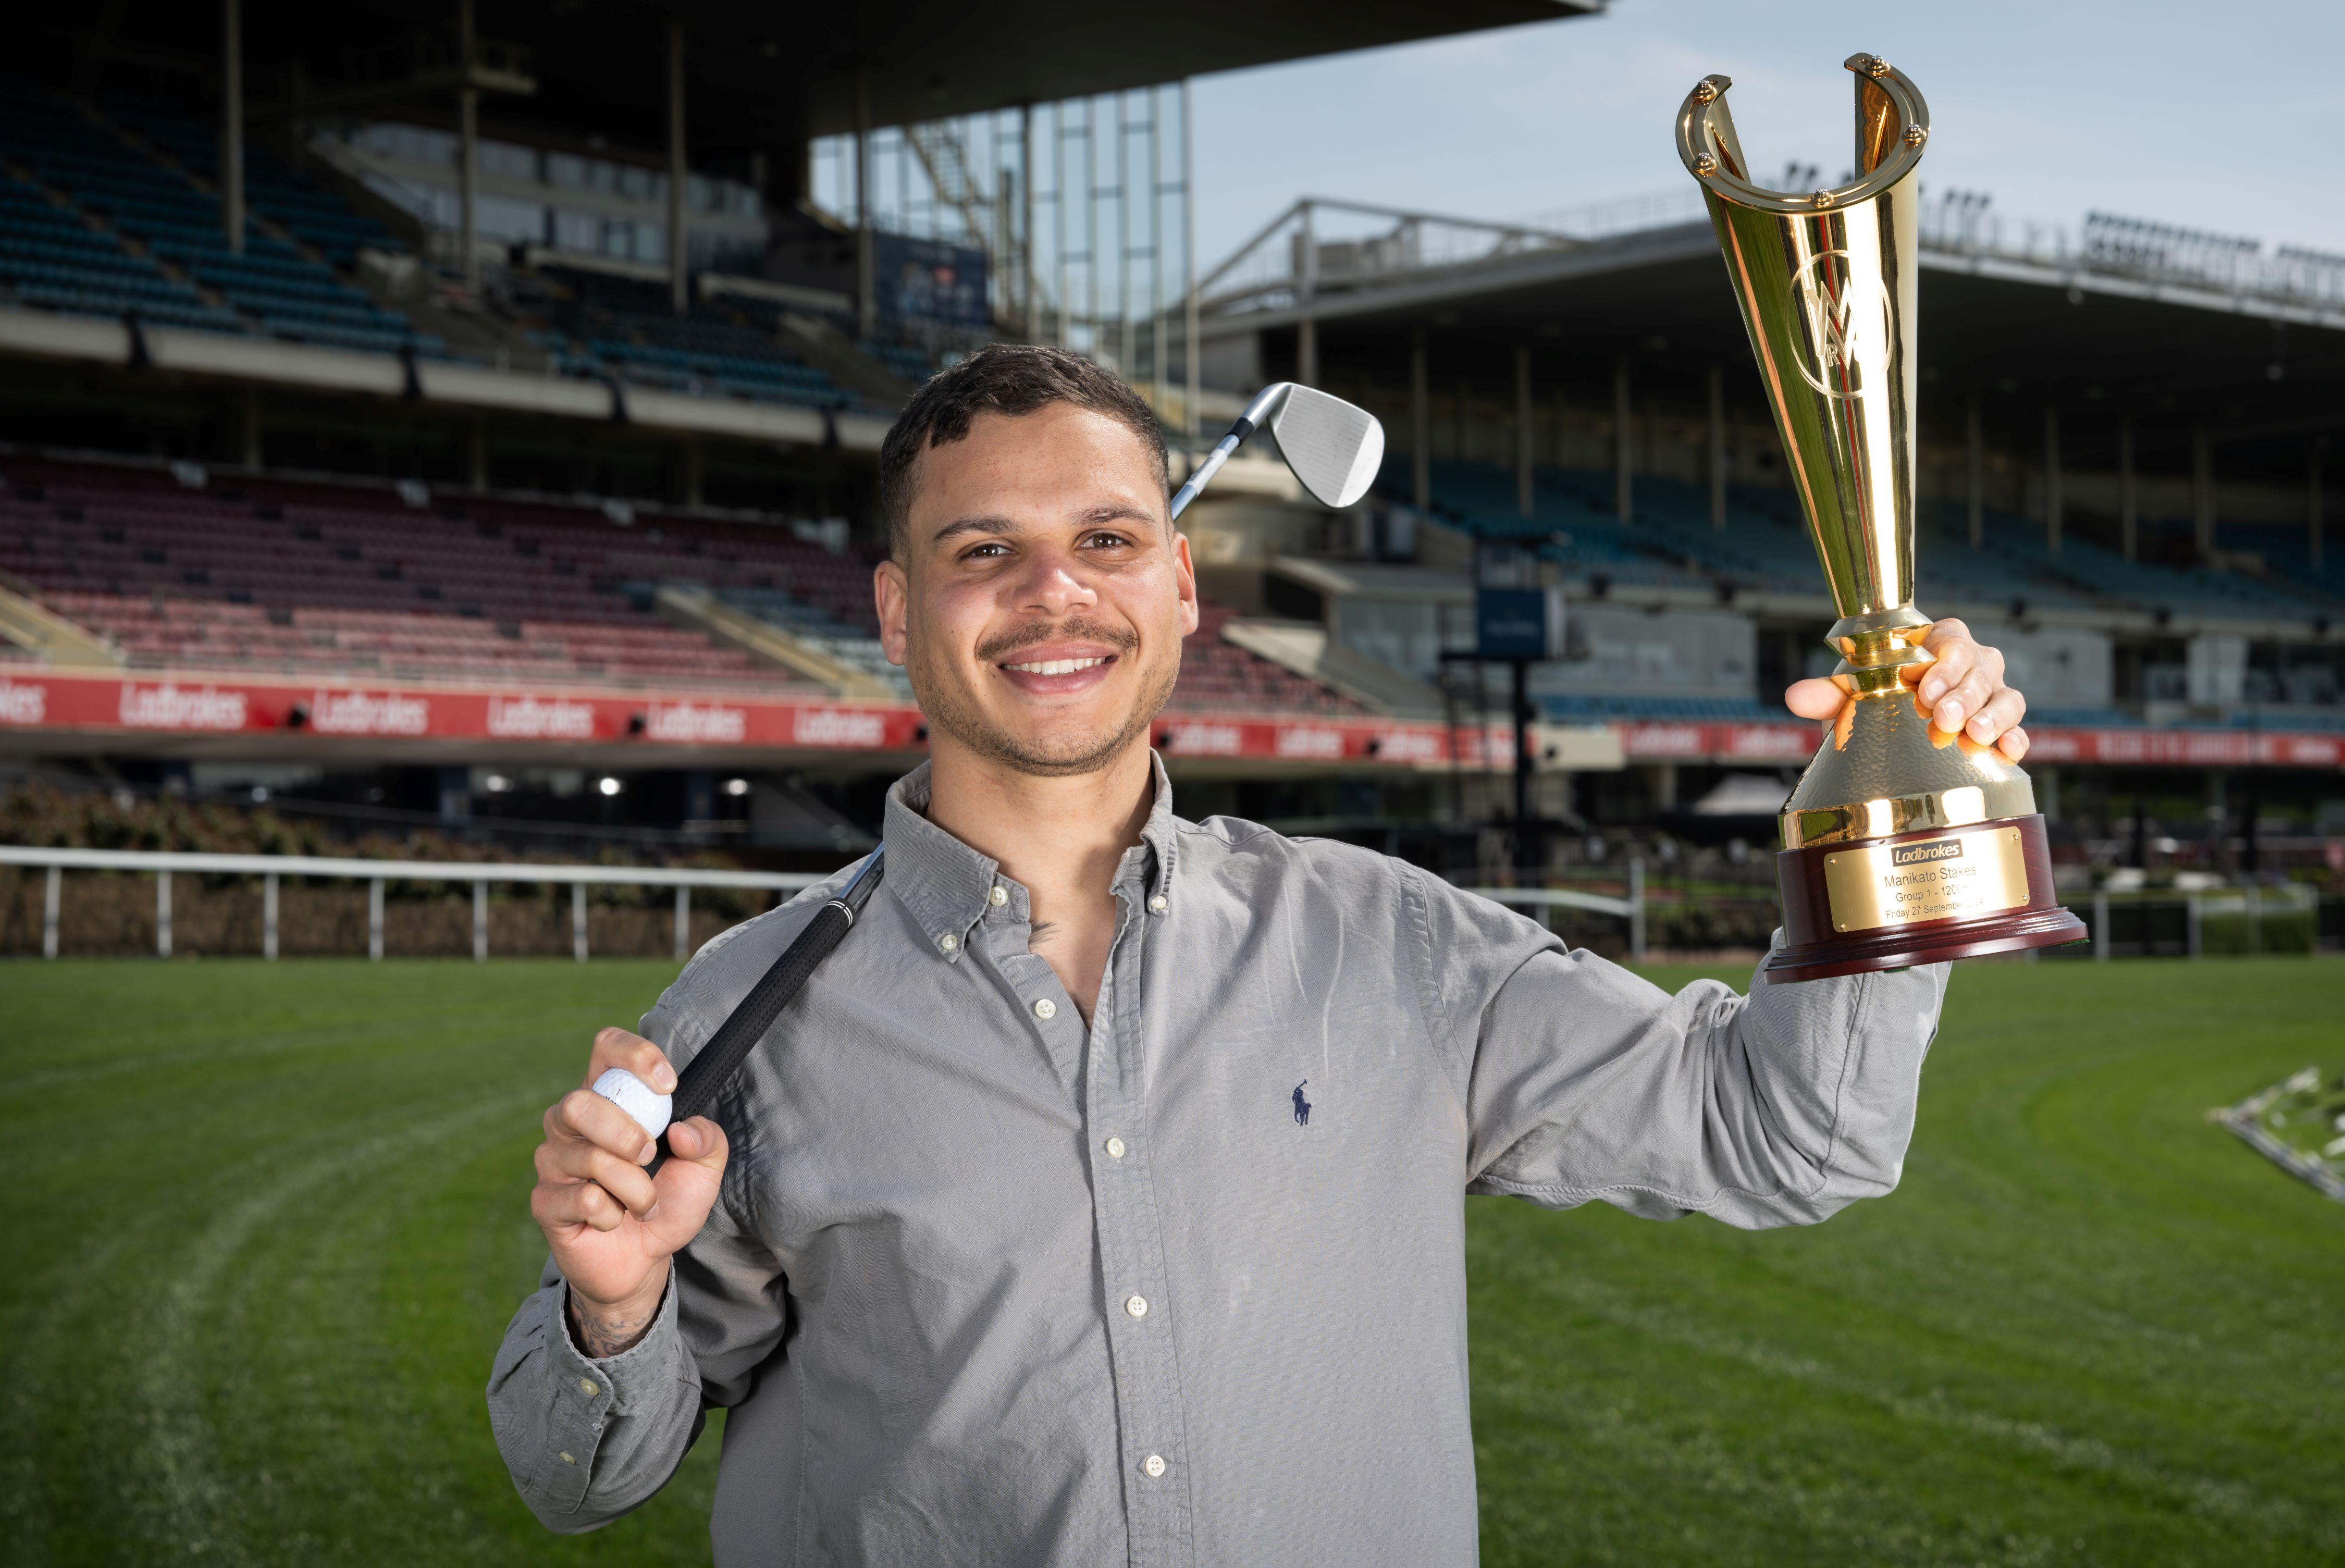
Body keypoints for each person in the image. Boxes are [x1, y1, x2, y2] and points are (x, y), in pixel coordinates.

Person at [486, 344, 2034, 1566]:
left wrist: (1901, 809)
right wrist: (610, 1312)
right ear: (897, 611)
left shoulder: (1398, 944)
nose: (1053, 592)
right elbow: (573, 1480)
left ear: (1178, 588)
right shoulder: (750, 1013)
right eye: (983, 550)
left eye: (1106, 537)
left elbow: (1790, 1137)